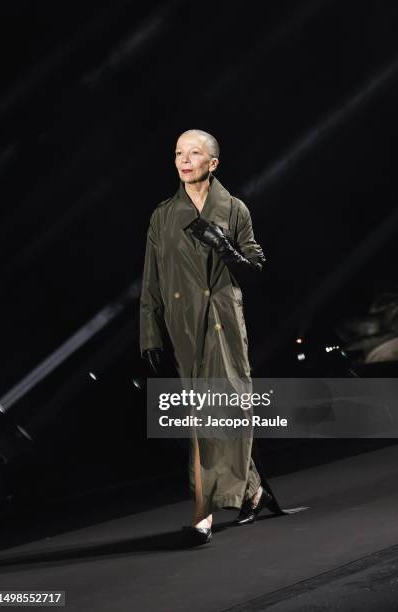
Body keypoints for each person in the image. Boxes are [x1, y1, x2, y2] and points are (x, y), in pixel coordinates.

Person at [139, 129, 274, 545]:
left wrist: (227, 249)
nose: (183, 159)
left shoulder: (233, 208)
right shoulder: (163, 215)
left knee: (227, 408)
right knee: (202, 417)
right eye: (178, 152)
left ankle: (218, 505)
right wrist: (150, 333)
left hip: (223, 321)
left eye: (194, 153)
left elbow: (256, 266)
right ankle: (230, 500)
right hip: (183, 325)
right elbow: (152, 280)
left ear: (212, 163)